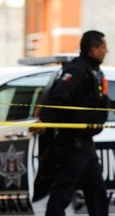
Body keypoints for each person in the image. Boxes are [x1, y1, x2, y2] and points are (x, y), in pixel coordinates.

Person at [31, 30, 110, 216]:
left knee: (97, 193)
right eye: (103, 47)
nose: (106, 51)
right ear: (93, 50)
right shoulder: (77, 70)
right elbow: (58, 97)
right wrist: (44, 120)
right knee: (63, 191)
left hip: (85, 144)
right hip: (72, 144)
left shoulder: (94, 71)